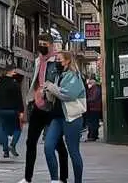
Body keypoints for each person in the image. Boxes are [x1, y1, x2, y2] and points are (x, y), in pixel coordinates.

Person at [23, 33, 68, 183]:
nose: (41, 46)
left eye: (44, 43)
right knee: (31, 142)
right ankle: (27, 177)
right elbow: (37, 80)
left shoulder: (57, 61)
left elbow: (62, 81)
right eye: (40, 43)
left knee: (57, 144)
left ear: (51, 44)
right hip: (38, 106)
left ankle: (63, 177)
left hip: (52, 107)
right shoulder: (38, 60)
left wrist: (50, 90)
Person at [42, 51, 87, 183]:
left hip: (72, 118)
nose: (57, 62)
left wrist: (51, 87)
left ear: (67, 61)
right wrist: (48, 91)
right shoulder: (58, 76)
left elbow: (69, 94)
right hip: (57, 117)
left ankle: (78, 181)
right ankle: (54, 180)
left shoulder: (74, 76)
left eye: (59, 59)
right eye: (56, 59)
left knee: (73, 151)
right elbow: (55, 96)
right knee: (48, 147)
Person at [0, 68, 24, 158]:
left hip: (1, 110)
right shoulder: (15, 84)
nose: (15, 73)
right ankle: (13, 145)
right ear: (10, 72)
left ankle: (5, 150)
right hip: (13, 110)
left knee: (3, 130)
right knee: (17, 129)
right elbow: (19, 99)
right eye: (14, 72)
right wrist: (21, 111)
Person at [84, 76, 103, 142]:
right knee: (94, 122)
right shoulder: (94, 89)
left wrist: (86, 100)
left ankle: (92, 136)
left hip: (94, 108)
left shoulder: (95, 89)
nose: (89, 84)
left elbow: (94, 98)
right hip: (93, 108)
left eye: (90, 83)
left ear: (93, 83)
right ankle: (94, 135)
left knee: (92, 123)